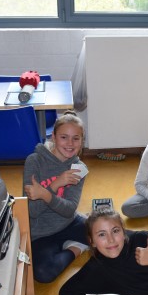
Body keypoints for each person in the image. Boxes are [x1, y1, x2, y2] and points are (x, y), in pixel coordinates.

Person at [23, 110, 90, 283]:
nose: (70, 143)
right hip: (41, 233)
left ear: (82, 141)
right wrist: (55, 185)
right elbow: (32, 212)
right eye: (64, 137)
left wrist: (44, 194)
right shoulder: (34, 161)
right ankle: (76, 248)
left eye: (76, 138)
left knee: (115, 238)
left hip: (69, 222)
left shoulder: (79, 167)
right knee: (43, 273)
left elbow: (69, 210)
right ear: (53, 136)